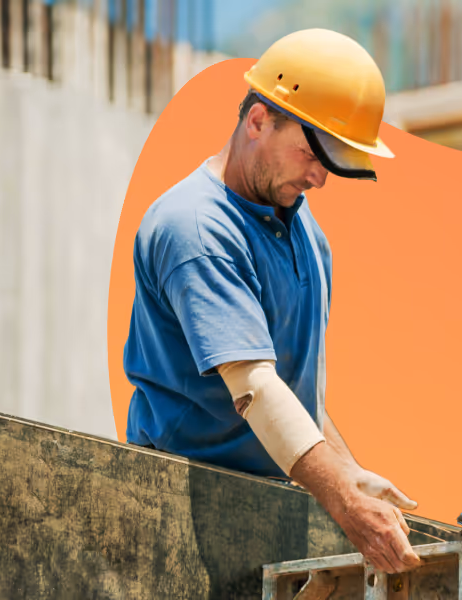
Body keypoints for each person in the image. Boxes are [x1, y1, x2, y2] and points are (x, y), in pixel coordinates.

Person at [123, 29, 422, 573]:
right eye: (311, 153)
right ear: (258, 120)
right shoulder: (196, 230)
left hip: (265, 506)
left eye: (330, 163)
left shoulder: (306, 233)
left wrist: (349, 474)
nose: (319, 178)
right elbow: (255, 388)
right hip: (179, 510)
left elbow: (289, 390)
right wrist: (343, 502)